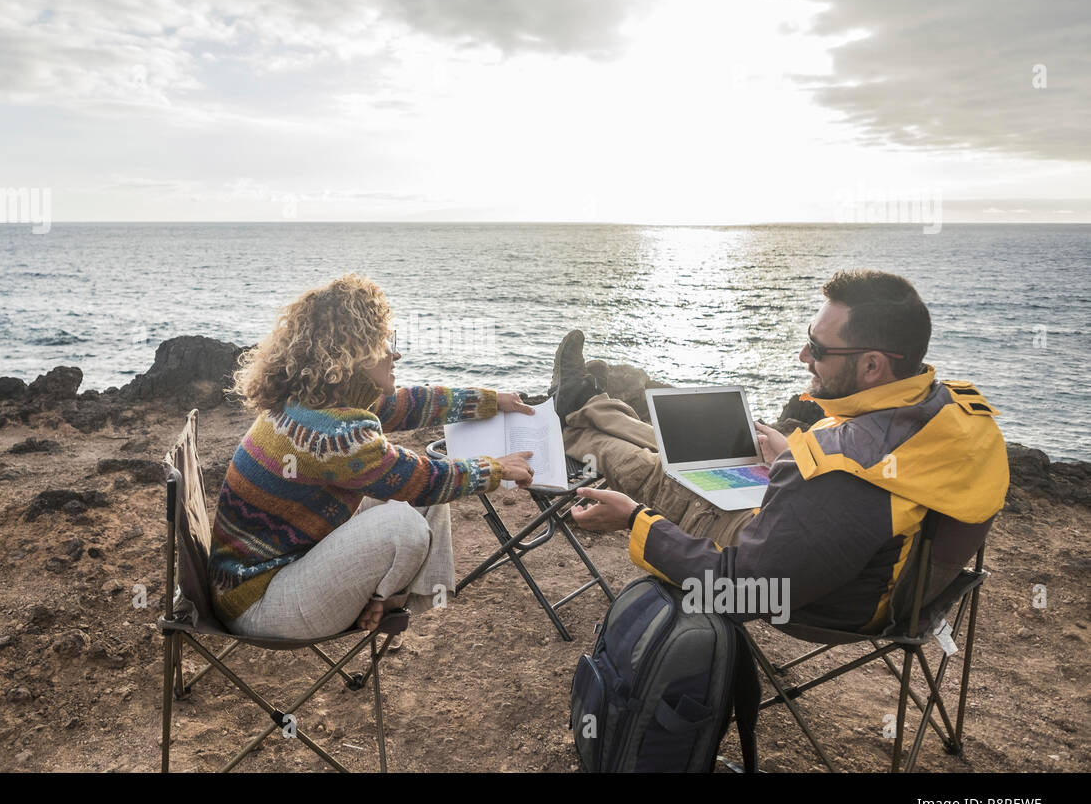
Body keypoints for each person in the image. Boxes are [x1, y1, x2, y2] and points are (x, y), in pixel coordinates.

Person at [561, 269, 1010, 631]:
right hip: (887, 580)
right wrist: (794, 453)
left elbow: (743, 594)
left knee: (659, 473)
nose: (802, 356)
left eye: (817, 347)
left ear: (873, 365)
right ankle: (589, 403)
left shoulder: (837, 471)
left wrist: (633, 520)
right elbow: (870, 481)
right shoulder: (958, 408)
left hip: (824, 601)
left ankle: (572, 419)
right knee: (685, 452)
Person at [210, 273, 536, 640]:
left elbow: (409, 405)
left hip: (279, 568)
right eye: (384, 341)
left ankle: (390, 600)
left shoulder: (316, 400)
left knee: (424, 506)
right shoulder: (332, 434)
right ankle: (382, 600)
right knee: (407, 523)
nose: (395, 352)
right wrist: (496, 468)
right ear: (353, 355)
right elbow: (423, 480)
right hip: (261, 603)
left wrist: (491, 401)